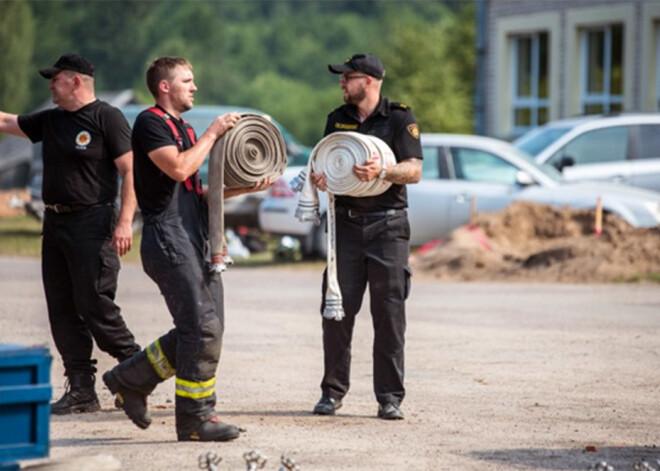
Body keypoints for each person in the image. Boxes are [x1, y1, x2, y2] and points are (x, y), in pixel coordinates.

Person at [102, 56, 269, 442]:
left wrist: (247, 187)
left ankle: (130, 379)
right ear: (165, 87)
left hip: (194, 235)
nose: (194, 87)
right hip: (167, 238)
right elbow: (178, 169)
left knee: (208, 329)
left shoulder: (184, 129)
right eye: (187, 81)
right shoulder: (150, 123)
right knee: (201, 328)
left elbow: (197, 192)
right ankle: (194, 419)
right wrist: (213, 133)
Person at [0, 54, 141, 414]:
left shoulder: (106, 117)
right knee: (61, 308)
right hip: (55, 223)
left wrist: (125, 222)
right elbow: (6, 120)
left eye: (55, 79)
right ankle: (81, 390)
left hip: (93, 222)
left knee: (94, 303)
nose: (50, 85)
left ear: (76, 82)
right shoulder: (51, 120)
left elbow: (130, 171)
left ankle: (139, 367)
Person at [310, 53, 423, 420]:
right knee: (336, 311)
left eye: (348, 77)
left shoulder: (399, 117)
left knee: (389, 313)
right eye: (341, 78)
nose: (341, 83)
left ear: (370, 81)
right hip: (344, 224)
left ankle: (389, 398)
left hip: (387, 226)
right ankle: (332, 393)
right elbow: (324, 162)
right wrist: (322, 178)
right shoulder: (336, 119)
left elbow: (415, 171)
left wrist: (384, 170)